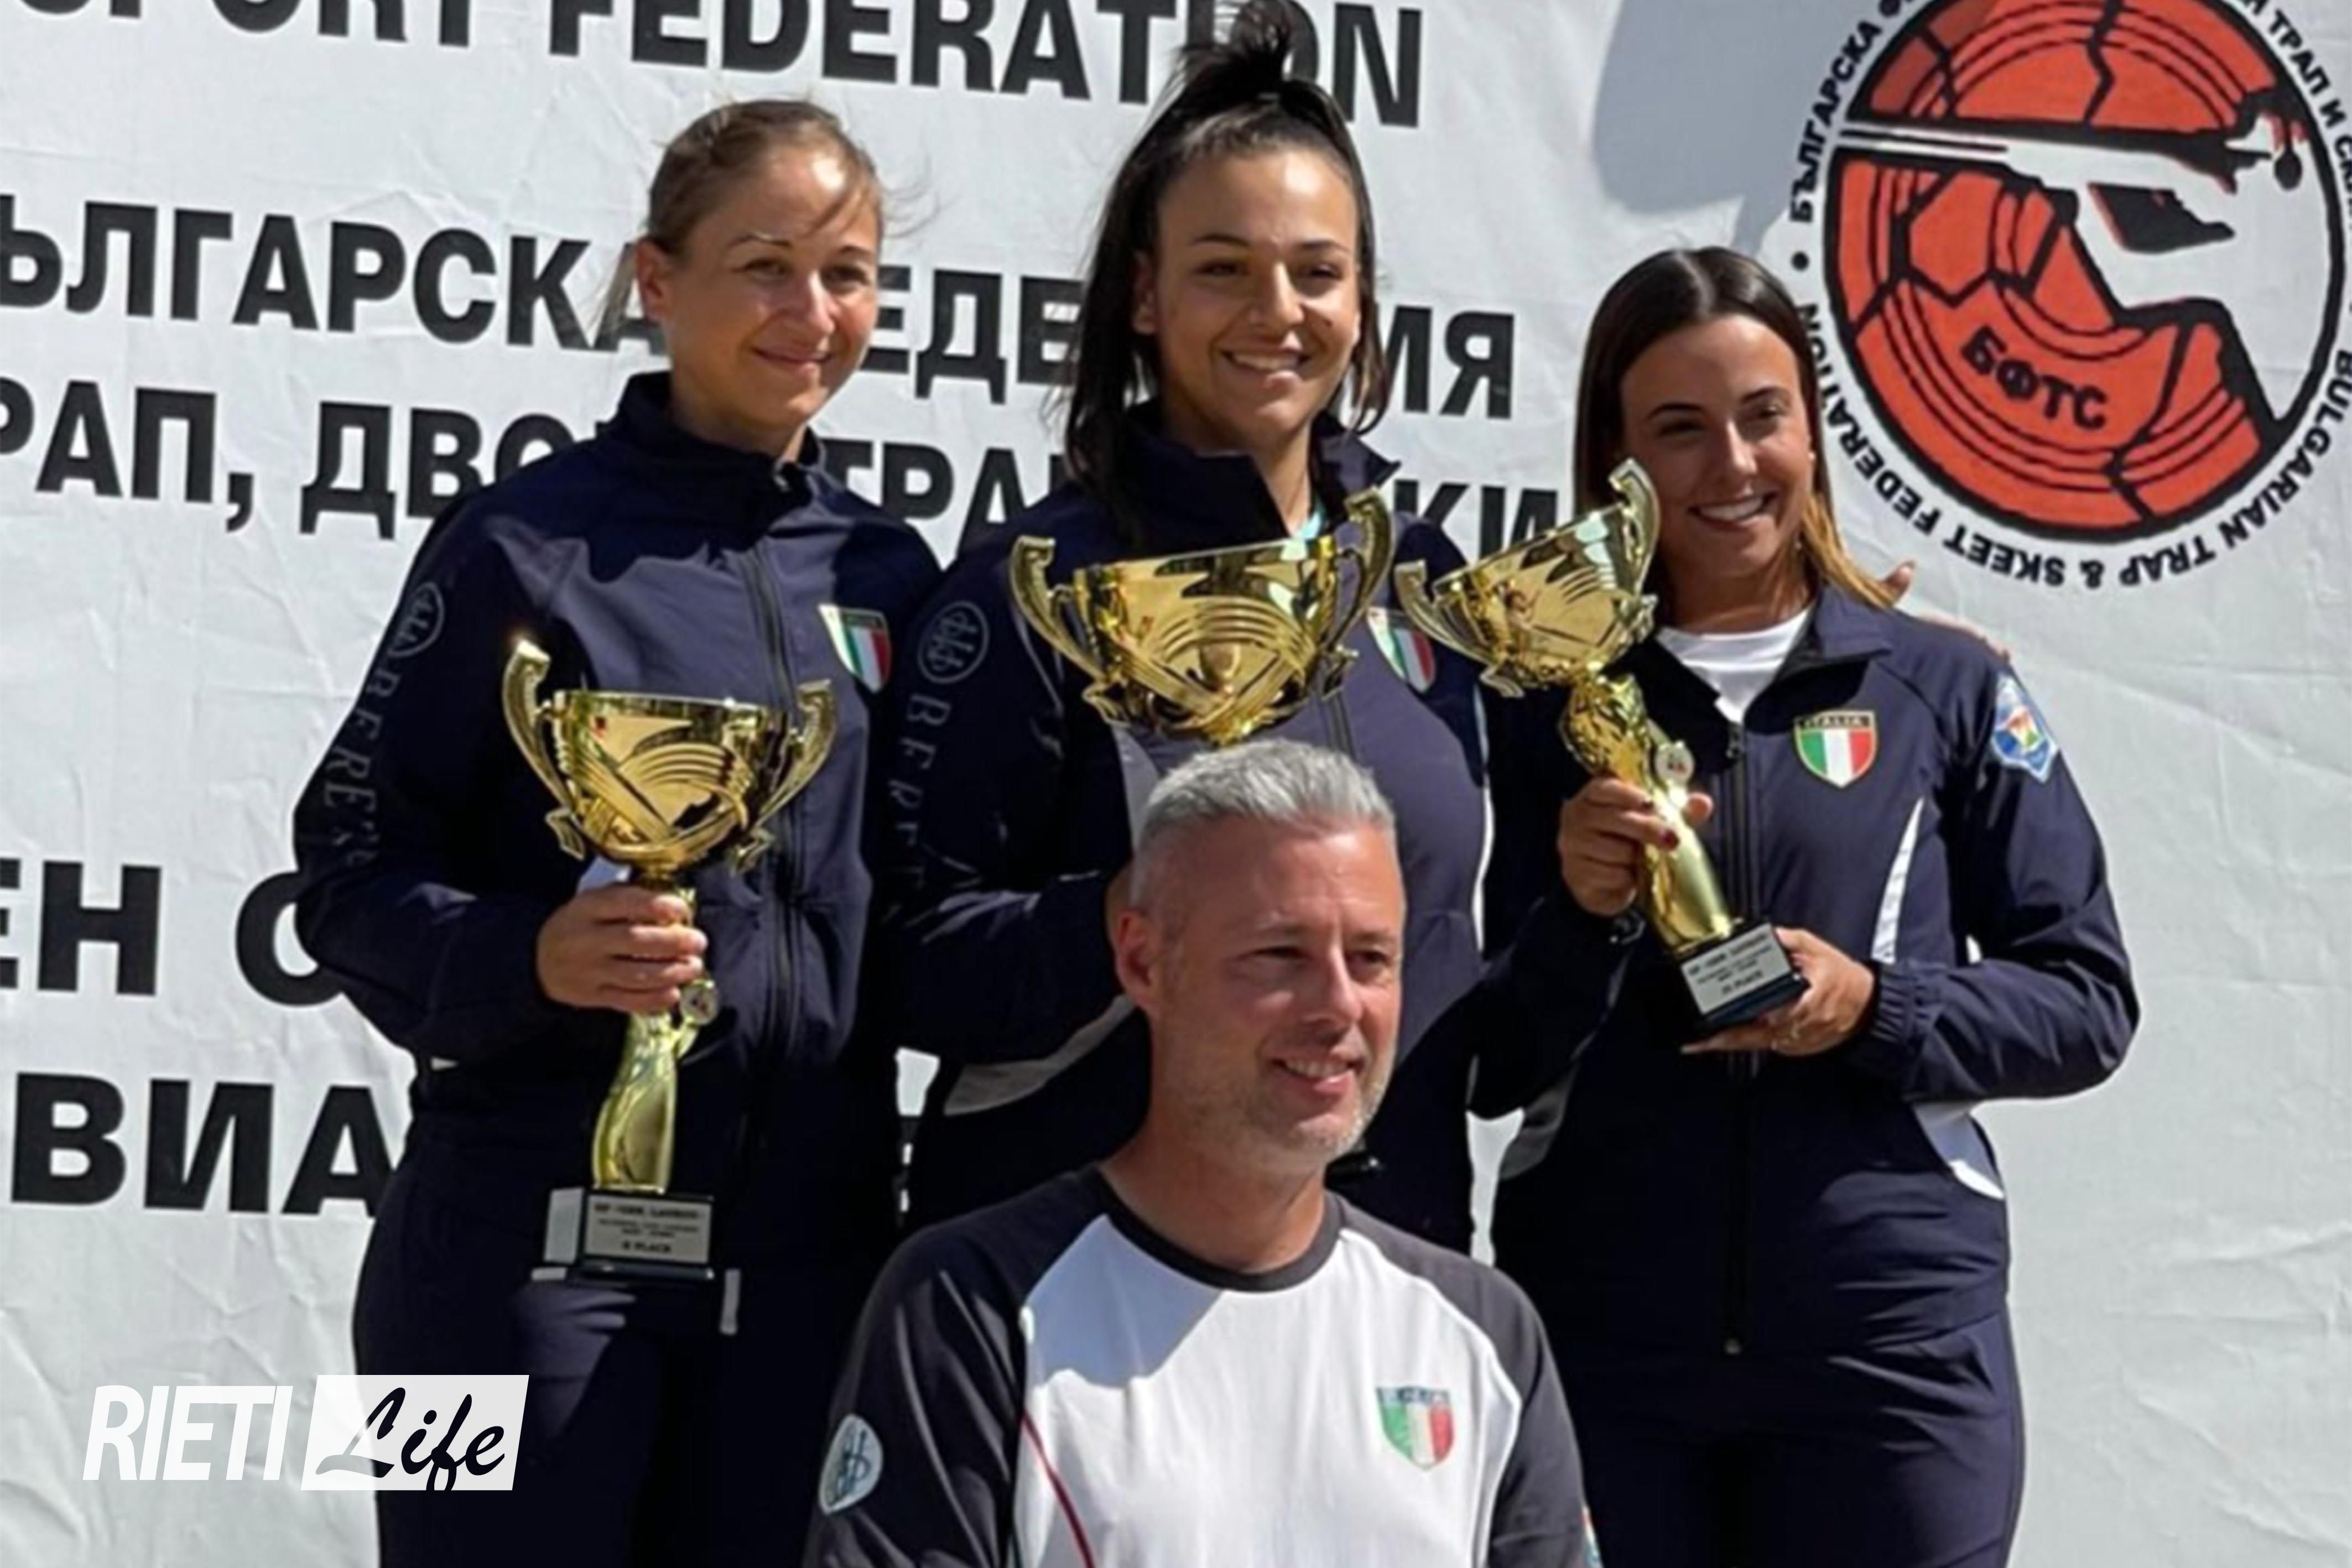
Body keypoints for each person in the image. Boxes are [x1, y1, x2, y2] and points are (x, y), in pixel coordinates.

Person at [289, 101, 939, 1567]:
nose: (811, 311)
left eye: (846, 273)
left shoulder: (887, 570)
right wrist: (533, 955)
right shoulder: (520, 545)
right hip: (518, 1250)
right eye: (764, 266)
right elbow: (347, 867)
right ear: (657, 279)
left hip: (805, 1262)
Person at [1474, 247, 2138, 1568]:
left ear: (1811, 429)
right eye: (1678, 427)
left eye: (1761, 415)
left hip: (1887, 1352)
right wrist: (1581, 914)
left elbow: (2084, 1000)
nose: (1730, 463)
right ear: (1612, 456)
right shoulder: (1539, 706)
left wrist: (1870, 1007)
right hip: (1611, 1348)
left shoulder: (1940, 686)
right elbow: (1485, 1058)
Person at [875, 0, 1488, 1247]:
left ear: (1363, 300)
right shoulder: (1038, 589)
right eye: (1223, 269)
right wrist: (1145, 909)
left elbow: (1484, 1001)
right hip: (1078, 1265)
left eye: (1317, 271)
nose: (1277, 310)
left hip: (1381, 1266)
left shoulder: (1425, 580)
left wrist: (1594, 910)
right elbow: (907, 962)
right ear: (1144, 296)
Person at [810, 741, 1593, 1568]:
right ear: (1143, 962)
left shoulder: (1484, 1331)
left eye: (1372, 959)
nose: (1338, 1005)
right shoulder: (972, 1305)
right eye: (1280, 955)